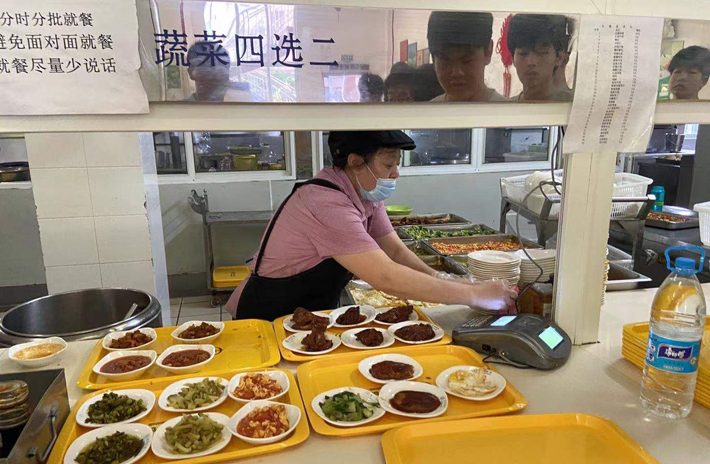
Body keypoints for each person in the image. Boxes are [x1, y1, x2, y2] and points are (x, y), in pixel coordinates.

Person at [225, 131, 518, 320]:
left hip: (310, 311)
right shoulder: (325, 203)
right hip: (269, 315)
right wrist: (474, 295)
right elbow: (385, 276)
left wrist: (450, 280)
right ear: (355, 162)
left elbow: (395, 250)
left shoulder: (364, 193)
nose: (396, 174)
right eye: (388, 164)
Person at [426, 11, 506, 102]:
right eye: (445, 61)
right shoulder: (425, 110)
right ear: (433, 60)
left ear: (488, 52)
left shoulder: (511, 109)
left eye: (467, 60)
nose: (457, 73)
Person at [507, 14, 571, 101]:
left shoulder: (576, 105)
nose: (531, 62)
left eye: (542, 52)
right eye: (523, 53)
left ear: (559, 57)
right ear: (513, 59)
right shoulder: (504, 107)